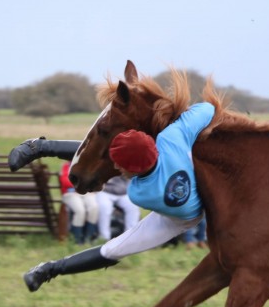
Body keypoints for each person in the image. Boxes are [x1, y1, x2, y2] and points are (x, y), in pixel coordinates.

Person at [22, 102, 214, 292]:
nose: (116, 168)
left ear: (132, 169)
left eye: (120, 165)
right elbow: (207, 108)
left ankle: (51, 270)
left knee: (112, 250)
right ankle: (49, 270)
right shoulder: (171, 137)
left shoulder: (139, 193)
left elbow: (107, 162)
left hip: (180, 220)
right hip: (206, 193)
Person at [58, 161, 99, 244]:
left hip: (85, 192)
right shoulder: (67, 166)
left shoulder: (87, 165)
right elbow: (65, 181)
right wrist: (82, 183)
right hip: (70, 193)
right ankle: (77, 239)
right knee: (80, 210)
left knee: (94, 207)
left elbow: (92, 179)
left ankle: (88, 237)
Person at [96, 174, 140, 241]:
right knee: (104, 208)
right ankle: (104, 237)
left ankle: (130, 237)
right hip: (104, 191)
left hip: (122, 192)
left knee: (133, 206)